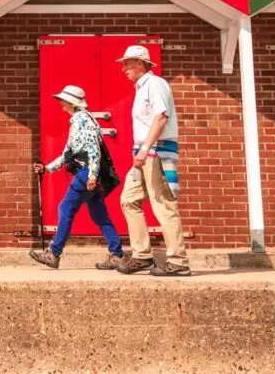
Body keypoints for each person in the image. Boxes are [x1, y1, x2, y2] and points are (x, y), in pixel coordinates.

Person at [29, 85, 124, 270]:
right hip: (89, 172)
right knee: (100, 215)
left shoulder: (82, 119)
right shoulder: (78, 120)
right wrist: (47, 169)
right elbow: (67, 154)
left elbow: (93, 149)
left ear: (71, 102)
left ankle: (54, 253)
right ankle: (117, 254)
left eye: (63, 100)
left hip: (85, 172)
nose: (61, 104)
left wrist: (92, 175)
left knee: (65, 208)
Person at [115, 45, 190, 277]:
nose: (124, 68)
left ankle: (178, 261)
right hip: (143, 153)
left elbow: (161, 117)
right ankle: (142, 255)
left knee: (162, 203)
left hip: (155, 152)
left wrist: (145, 149)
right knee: (129, 199)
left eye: (127, 63)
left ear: (139, 63)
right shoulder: (142, 87)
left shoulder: (155, 84)